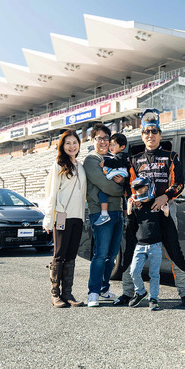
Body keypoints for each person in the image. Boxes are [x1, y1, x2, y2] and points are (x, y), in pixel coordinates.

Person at [114, 108, 185, 308]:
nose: (150, 135)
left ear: (160, 134)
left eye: (154, 131)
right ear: (142, 135)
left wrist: (165, 196)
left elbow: (180, 183)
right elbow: (128, 186)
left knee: (174, 250)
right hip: (140, 213)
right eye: (146, 132)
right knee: (130, 249)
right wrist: (132, 198)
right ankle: (128, 292)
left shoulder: (171, 156)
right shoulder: (134, 159)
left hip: (164, 209)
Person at [43, 129, 87, 308]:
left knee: (71, 255)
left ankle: (68, 293)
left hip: (78, 216)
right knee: (59, 254)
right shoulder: (58, 165)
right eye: (68, 143)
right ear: (62, 146)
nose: (72, 146)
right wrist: (48, 219)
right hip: (62, 215)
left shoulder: (81, 166)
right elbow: (51, 192)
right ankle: (55, 294)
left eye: (75, 142)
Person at [83, 123, 126, 307]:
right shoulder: (92, 160)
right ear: (93, 140)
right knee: (100, 254)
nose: (103, 142)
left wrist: (122, 182)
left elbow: (125, 178)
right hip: (100, 212)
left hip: (117, 211)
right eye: (99, 138)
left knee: (112, 254)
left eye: (106, 138)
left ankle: (103, 288)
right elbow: (106, 185)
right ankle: (93, 292)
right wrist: (123, 189)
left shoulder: (112, 158)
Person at [126, 177, 170, 310]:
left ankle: (154, 298)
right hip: (140, 246)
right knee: (134, 271)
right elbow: (130, 227)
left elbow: (165, 225)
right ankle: (140, 292)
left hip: (155, 245)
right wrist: (129, 211)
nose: (141, 192)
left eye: (144, 189)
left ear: (149, 188)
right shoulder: (137, 207)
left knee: (154, 274)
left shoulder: (156, 205)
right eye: (138, 190)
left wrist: (166, 213)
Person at [95, 133, 130, 226]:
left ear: (122, 147)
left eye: (114, 145)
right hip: (122, 179)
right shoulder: (120, 155)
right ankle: (126, 217)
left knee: (102, 193)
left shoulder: (121, 155)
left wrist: (105, 162)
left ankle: (104, 213)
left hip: (121, 177)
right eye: (110, 144)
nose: (111, 147)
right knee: (124, 199)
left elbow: (116, 163)